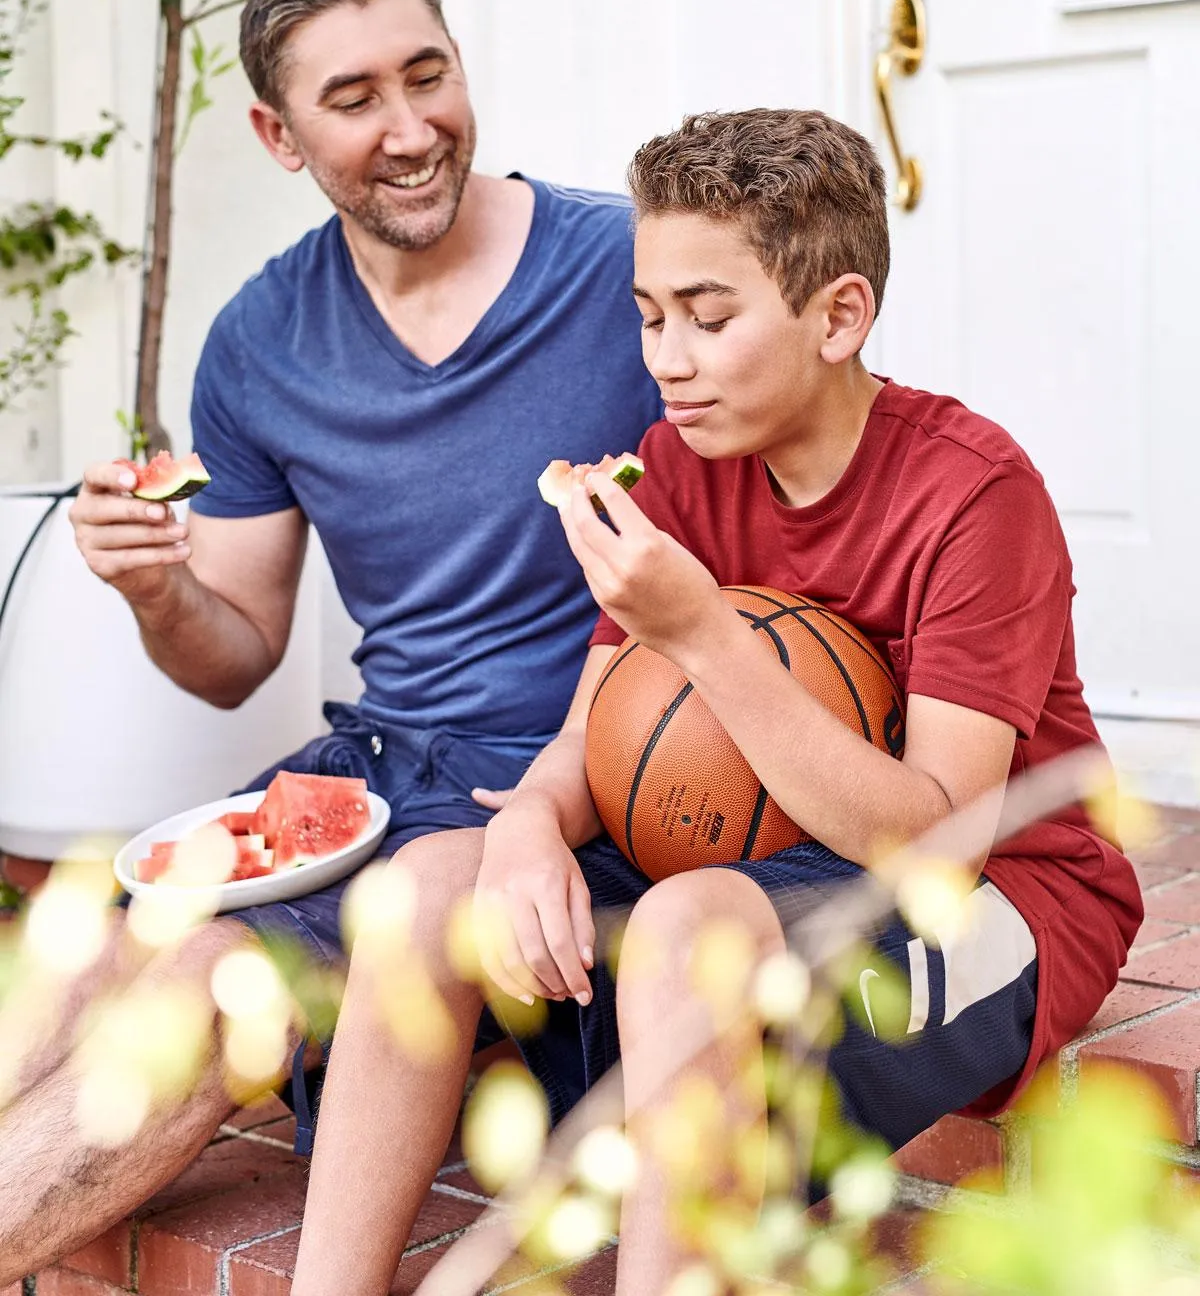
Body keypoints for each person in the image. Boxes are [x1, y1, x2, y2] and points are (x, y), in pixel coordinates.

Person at [289, 107, 1144, 1296]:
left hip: (997, 888)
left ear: (838, 316)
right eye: (648, 317)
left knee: (688, 931)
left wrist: (703, 631)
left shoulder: (972, 492)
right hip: (756, 864)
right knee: (433, 881)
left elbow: (935, 839)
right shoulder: (679, 465)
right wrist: (528, 824)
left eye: (709, 316)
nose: (666, 357)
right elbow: (594, 738)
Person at [0, 0, 662, 1285]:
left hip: (559, 791)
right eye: (355, 98)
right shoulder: (261, 340)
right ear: (279, 133)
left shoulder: (627, 273)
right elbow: (232, 655)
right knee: (82, 969)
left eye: (431, 76)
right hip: (363, 783)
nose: (412, 129)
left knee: (196, 995)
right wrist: (155, 586)